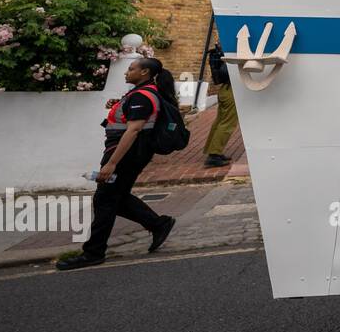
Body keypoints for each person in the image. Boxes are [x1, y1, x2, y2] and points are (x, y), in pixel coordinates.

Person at [57, 57, 176, 270]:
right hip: (129, 152)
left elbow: (134, 129)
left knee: (105, 199)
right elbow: (129, 120)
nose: (126, 72)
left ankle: (93, 252)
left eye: (131, 69)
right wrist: (119, 105)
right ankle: (158, 224)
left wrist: (112, 163)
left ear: (144, 73)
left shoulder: (143, 96)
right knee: (115, 197)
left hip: (126, 154)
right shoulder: (139, 93)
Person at [203, 41, 237, 167]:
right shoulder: (229, 57)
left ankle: (213, 150)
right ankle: (214, 154)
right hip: (231, 91)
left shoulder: (220, 56)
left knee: (220, 121)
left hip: (224, 90)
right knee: (227, 123)